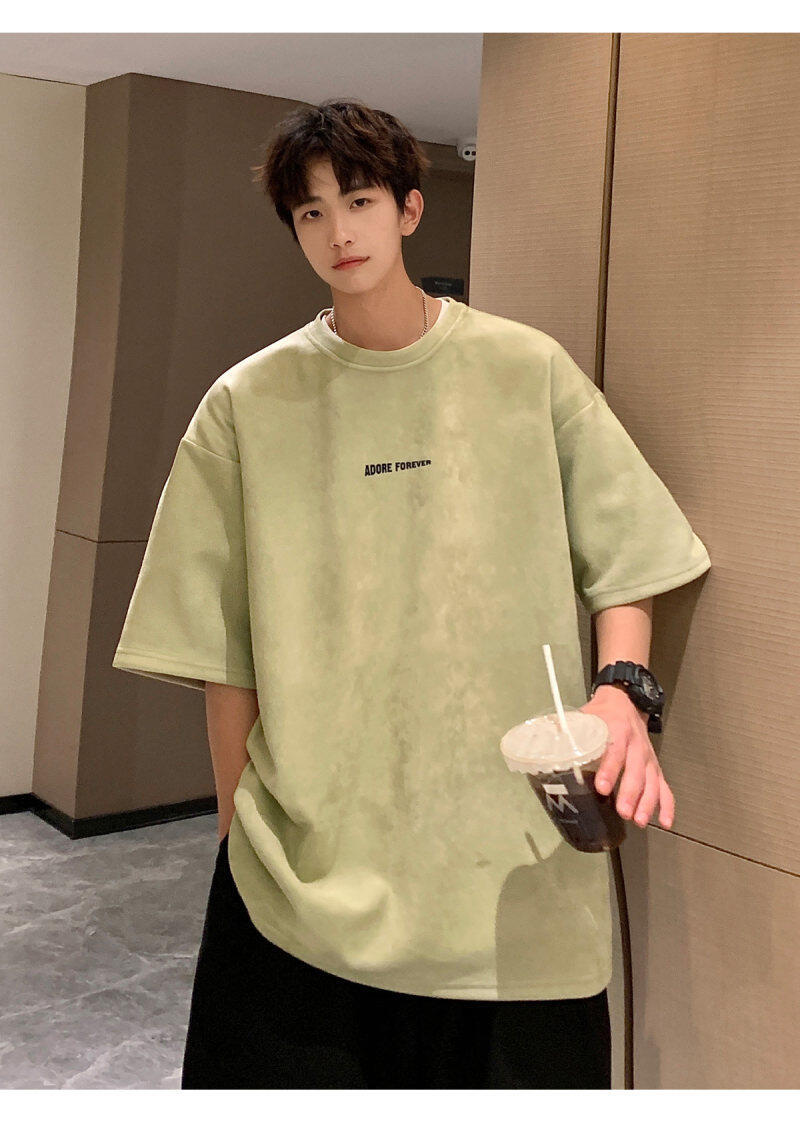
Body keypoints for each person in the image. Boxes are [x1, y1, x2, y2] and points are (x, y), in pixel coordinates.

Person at [112, 98, 712, 1088]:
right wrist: (234, 835)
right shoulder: (245, 405)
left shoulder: (525, 370)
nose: (337, 232)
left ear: (408, 209)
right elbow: (224, 655)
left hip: (508, 875)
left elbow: (630, 554)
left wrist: (622, 692)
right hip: (303, 884)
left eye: (357, 200)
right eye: (310, 212)